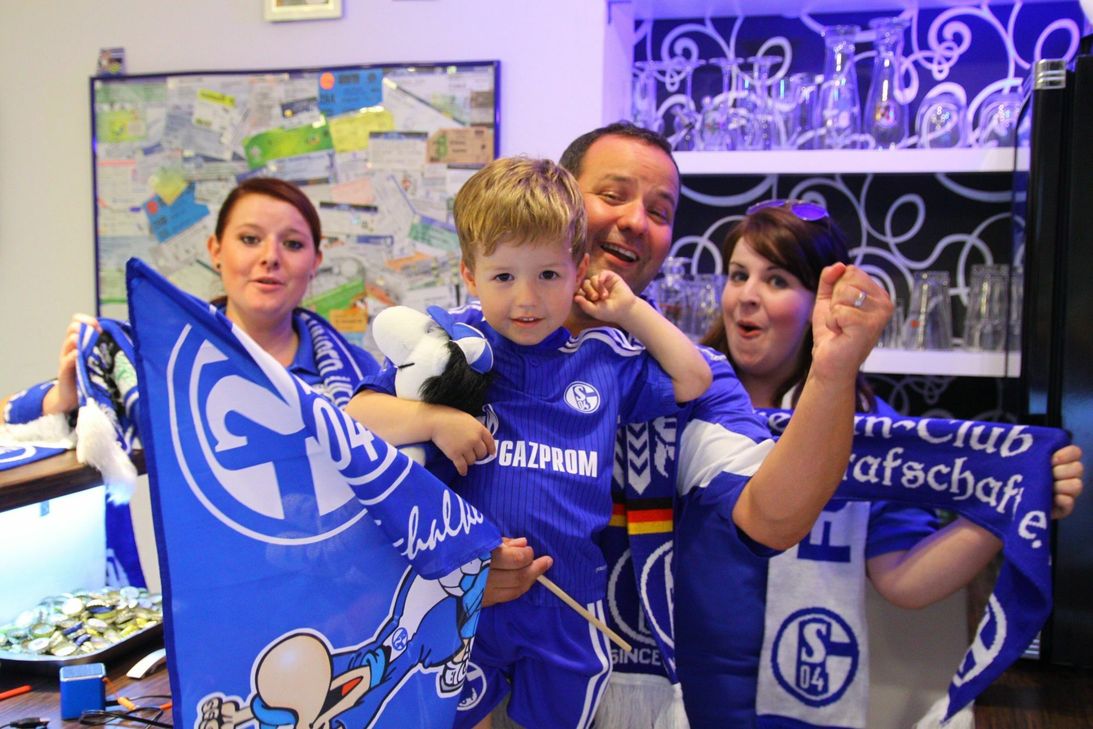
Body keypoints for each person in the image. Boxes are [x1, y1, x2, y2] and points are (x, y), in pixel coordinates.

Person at [673, 198, 1084, 726]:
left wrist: (1014, 504)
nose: (747, 297)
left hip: (797, 696)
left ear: (822, 303)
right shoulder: (676, 398)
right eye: (737, 275)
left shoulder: (863, 427)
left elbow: (905, 579)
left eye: (777, 281)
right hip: (676, 688)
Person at [346, 155, 711, 729]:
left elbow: (693, 379)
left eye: (548, 275)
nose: (526, 300)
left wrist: (629, 310)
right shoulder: (450, 348)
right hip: (464, 600)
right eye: (503, 277)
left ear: (580, 270)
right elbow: (357, 416)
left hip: (568, 607)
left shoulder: (603, 360)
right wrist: (435, 419)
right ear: (469, 274)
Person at [0, 177, 380, 584]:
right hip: (209, 596)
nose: (271, 257)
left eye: (292, 244)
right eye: (250, 239)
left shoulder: (357, 372)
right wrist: (62, 398)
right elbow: (8, 421)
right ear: (215, 250)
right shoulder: (156, 362)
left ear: (315, 262)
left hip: (341, 597)